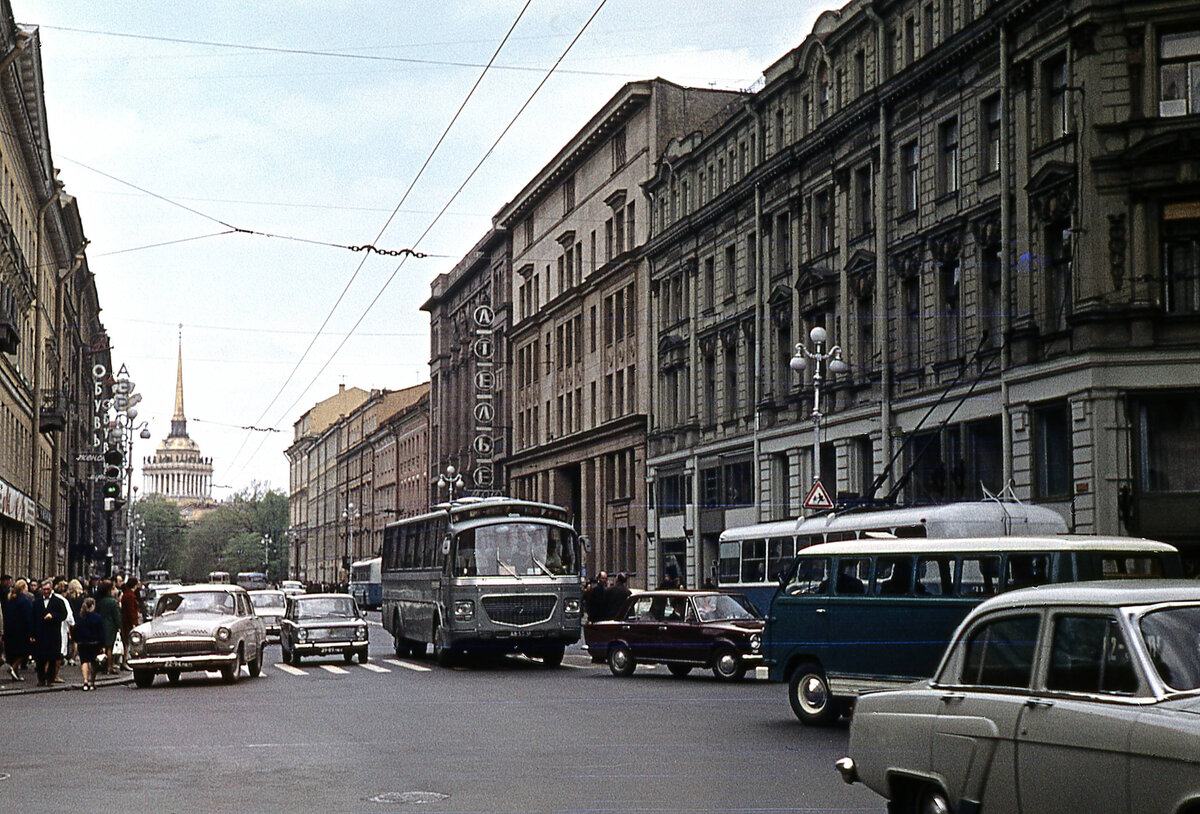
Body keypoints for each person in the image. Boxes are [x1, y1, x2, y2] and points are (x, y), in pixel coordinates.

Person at [31, 580, 68, 686]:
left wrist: (53, 616)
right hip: (40, 633)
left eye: (48, 589)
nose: (46, 591)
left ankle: (50, 679)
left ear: (51, 589)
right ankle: (41, 679)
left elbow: (63, 615)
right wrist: (32, 634)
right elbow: (32, 618)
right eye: (44, 589)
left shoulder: (58, 601)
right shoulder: (37, 602)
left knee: (52, 657)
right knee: (40, 658)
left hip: (53, 633)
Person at [72, 597, 105, 691]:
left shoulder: (80, 617)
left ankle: (85, 681)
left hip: (83, 643)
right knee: (94, 663)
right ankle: (92, 682)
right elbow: (101, 632)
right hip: (95, 643)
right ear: (93, 606)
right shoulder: (97, 617)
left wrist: (77, 640)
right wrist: (102, 644)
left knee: (84, 662)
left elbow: (75, 630)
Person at [4, 578, 33, 680]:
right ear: (23, 589)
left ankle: (15, 674)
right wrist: (31, 631)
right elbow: (29, 617)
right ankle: (13, 667)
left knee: (13, 652)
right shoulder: (25, 601)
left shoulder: (10, 600)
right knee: (24, 652)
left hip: (10, 630)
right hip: (22, 630)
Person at [96, 580, 120, 675]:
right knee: (110, 647)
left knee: (103, 647)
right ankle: (110, 666)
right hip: (110, 626)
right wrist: (119, 626)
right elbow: (116, 616)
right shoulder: (112, 602)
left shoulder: (100, 601)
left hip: (101, 625)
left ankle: (102, 665)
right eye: (113, 589)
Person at [119, 577, 141, 670]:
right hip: (128, 622)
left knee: (127, 642)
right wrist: (133, 623)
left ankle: (125, 661)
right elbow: (131, 611)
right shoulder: (130, 596)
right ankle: (124, 661)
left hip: (126, 621)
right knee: (128, 642)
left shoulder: (127, 594)